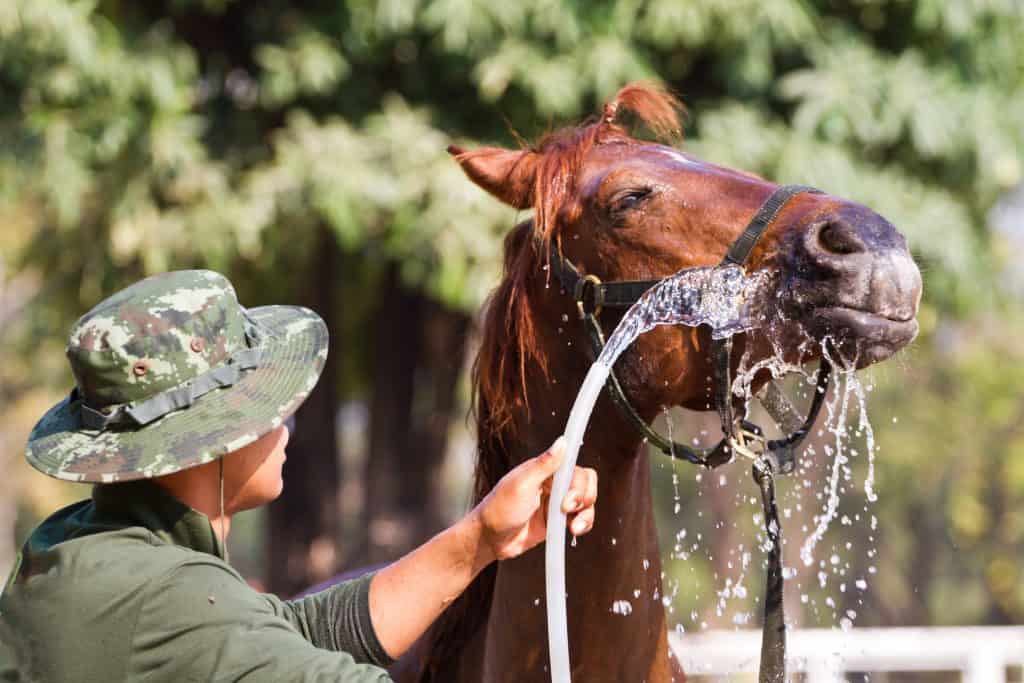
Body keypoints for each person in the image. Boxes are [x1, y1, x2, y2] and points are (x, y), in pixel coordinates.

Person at [0, 270, 598, 682]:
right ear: (209, 442)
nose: (285, 423)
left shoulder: (80, 544)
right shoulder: (165, 603)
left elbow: (290, 631)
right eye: (263, 405)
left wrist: (482, 538)